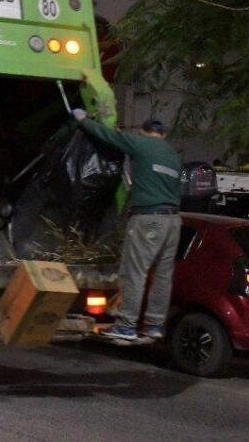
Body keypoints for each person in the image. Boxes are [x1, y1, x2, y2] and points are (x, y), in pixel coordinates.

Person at [72, 109, 182, 341]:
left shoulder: (141, 143)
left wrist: (83, 120)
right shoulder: (173, 154)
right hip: (173, 221)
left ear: (143, 132)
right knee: (163, 275)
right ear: (162, 134)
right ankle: (153, 325)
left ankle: (126, 326)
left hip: (148, 219)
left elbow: (107, 136)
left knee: (135, 273)